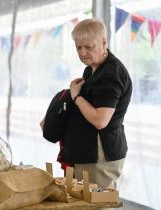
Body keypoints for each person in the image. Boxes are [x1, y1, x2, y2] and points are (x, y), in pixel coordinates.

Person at [64, 18, 132, 193]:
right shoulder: (92, 68)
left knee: (97, 204)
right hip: (89, 152)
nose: (83, 52)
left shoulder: (110, 74)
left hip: (101, 155)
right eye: (78, 47)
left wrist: (76, 96)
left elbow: (100, 120)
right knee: (82, 202)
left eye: (88, 47)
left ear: (103, 42)